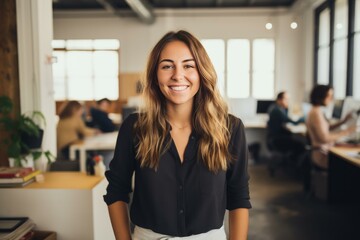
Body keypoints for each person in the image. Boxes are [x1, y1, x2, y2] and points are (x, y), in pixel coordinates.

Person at [103, 30, 251, 240]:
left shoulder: (230, 128)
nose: (177, 75)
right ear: (155, 74)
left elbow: (239, 198)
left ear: (202, 72)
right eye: (167, 66)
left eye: (188, 65)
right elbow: (116, 192)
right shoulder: (135, 128)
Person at [306, 85, 356, 169]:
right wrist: (347, 132)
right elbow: (324, 138)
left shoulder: (315, 110)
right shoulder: (316, 113)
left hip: (321, 151)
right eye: (329, 96)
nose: (331, 99)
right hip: (321, 155)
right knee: (351, 165)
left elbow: (326, 128)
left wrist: (343, 121)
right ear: (321, 96)